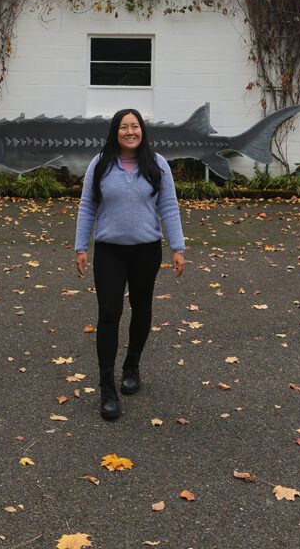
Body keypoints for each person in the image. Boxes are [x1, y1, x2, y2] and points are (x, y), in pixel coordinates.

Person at [74, 108, 186, 421]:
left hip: (146, 250)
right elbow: (87, 207)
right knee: (109, 312)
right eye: (124, 127)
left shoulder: (157, 164)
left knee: (141, 307)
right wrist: (81, 247)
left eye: (135, 126)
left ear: (142, 131)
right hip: (110, 251)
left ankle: (132, 365)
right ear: (115, 131)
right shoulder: (100, 163)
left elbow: (169, 207)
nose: (130, 132)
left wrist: (178, 247)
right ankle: (107, 387)